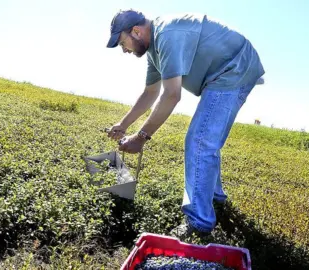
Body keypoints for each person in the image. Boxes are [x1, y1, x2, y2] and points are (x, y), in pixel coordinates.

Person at [105, 9, 265, 240]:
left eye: (122, 43)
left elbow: (171, 95)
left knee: (200, 140)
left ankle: (199, 221)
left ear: (136, 31)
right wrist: (123, 124)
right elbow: (151, 93)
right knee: (206, 139)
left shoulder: (167, 35)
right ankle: (215, 196)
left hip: (234, 68)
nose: (124, 50)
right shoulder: (154, 50)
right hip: (224, 71)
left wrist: (141, 138)